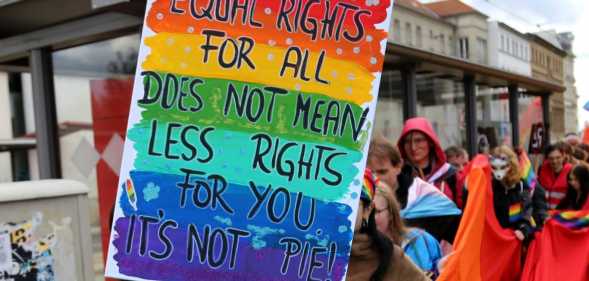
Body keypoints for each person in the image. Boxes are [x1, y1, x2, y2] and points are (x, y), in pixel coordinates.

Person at [369, 136, 461, 244]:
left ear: (399, 166)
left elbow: (463, 238)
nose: (375, 179)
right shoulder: (357, 200)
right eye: (369, 173)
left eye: (382, 172)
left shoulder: (425, 196)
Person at [347, 169, 429, 281]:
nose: (339, 210)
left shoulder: (390, 257)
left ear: (367, 210)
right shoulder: (315, 252)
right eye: (330, 203)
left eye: (351, 204)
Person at [375, 185, 442, 279]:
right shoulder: (356, 250)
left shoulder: (422, 240)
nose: (367, 217)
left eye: (375, 211)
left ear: (390, 213)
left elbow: (444, 273)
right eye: (364, 210)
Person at [397, 117, 463, 209]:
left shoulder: (451, 175)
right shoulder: (399, 176)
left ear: (431, 142)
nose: (413, 147)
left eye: (418, 140)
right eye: (407, 141)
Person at [490, 146, 535, 243]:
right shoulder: (489, 185)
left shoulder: (521, 185)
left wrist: (523, 229)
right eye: (494, 167)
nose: (498, 172)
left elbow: (526, 209)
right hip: (495, 237)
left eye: (503, 166)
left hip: (515, 238)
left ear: (511, 165)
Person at [538, 143, 573, 209]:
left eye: (558, 157)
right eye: (551, 158)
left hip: (563, 215)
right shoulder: (541, 169)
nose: (554, 161)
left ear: (563, 157)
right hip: (544, 213)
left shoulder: (572, 172)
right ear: (547, 159)